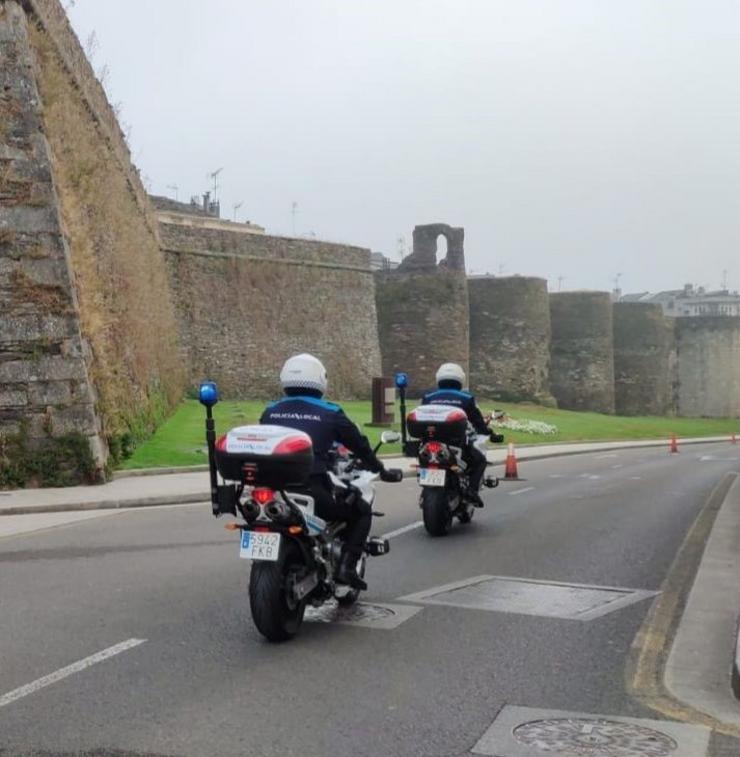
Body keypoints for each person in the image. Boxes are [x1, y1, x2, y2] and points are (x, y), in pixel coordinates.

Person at [260, 353, 392, 590]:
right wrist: (377, 467)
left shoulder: (271, 410)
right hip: (311, 488)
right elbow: (359, 445)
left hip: (274, 490)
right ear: (320, 379)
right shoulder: (330, 412)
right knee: (360, 511)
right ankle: (346, 568)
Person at [421, 362, 490, 507]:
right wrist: (487, 432)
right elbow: (478, 423)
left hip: (429, 443)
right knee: (480, 461)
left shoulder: (428, 397)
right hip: (456, 444)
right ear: (460, 379)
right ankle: (471, 491)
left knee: (424, 461)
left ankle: (425, 489)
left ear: (439, 379)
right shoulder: (466, 399)